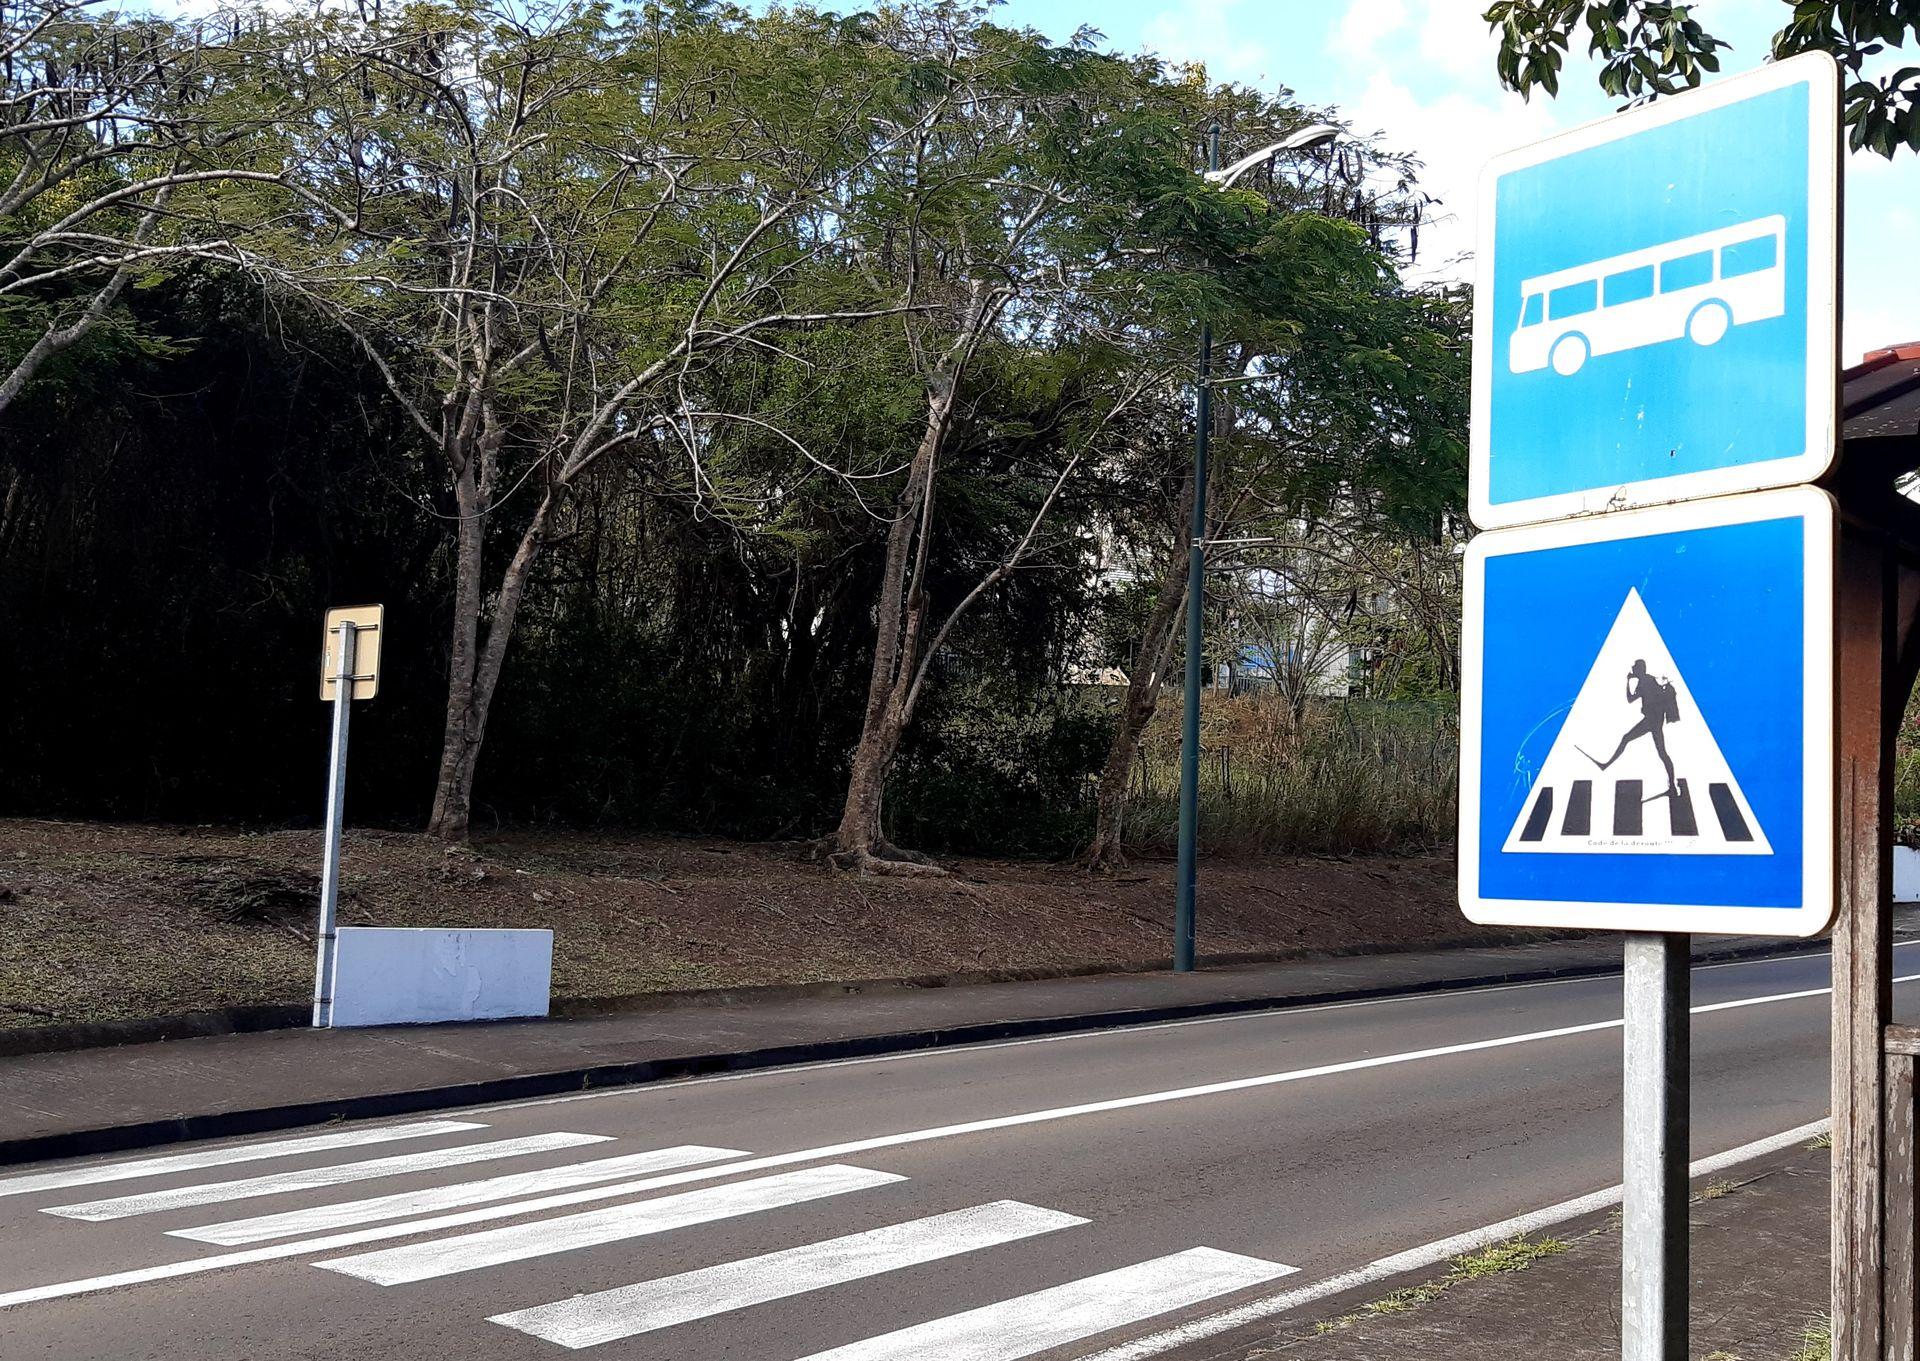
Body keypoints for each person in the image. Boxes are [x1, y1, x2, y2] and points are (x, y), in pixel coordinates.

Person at [1589, 658, 1677, 795]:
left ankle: (1606, 765)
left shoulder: (1645, 682)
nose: (1633, 669)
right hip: (1654, 720)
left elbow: (1630, 699)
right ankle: (1672, 786)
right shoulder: (1648, 680)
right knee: (1661, 753)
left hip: (1652, 721)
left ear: (1640, 669)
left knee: (1628, 739)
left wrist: (1627, 681)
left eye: (1635, 667)